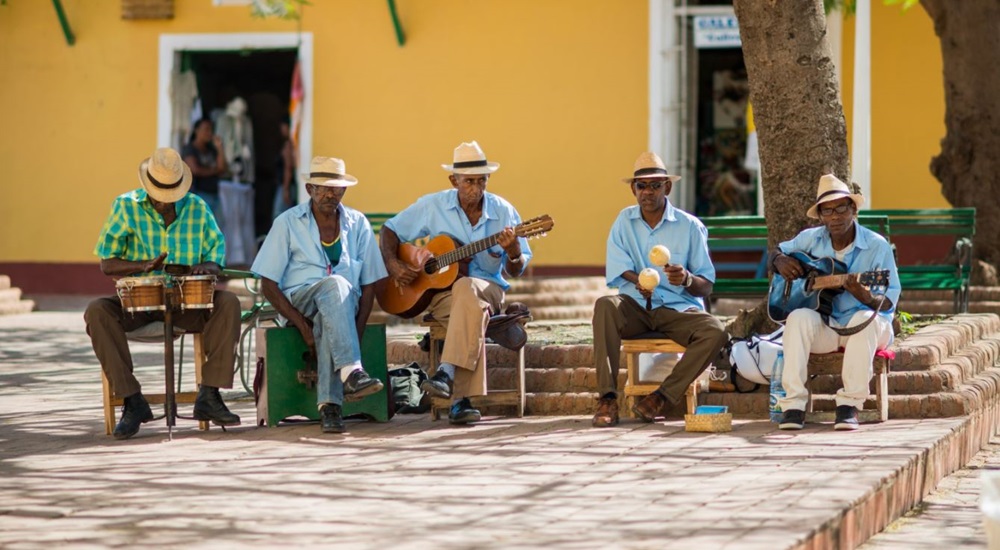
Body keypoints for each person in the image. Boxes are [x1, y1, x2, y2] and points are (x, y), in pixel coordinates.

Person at [85, 147, 242, 440]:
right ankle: (133, 401)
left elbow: (216, 256)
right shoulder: (125, 206)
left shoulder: (197, 208)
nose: (165, 201)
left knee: (229, 302)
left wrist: (204, 267)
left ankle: (209, 395)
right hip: (138, 303)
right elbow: (107, 263)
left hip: (187, 303)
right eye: (160, 194)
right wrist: (143, 266)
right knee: (97, 311)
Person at [380, 141, 531, 425]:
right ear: (454, 180)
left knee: (467, 289)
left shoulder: (504, 212)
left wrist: (514, 252)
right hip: (441, 296)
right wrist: (395, 264)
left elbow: (517, 270)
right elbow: (390, 229)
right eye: (469, 182)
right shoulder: (433, 205)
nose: (476, 188)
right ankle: (461, 403)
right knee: (467, 305)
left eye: (482, 181)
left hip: (490, 290)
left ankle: (447, 374)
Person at [251, 156, 387, 434]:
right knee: (334, 285)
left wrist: (352, 334)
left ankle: (330, 408)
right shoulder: (288, 222)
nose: (329, 194)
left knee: (332, 309)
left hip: (343, 305)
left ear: (344, 191)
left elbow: (370, 284)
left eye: (336, 188)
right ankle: (352, 372)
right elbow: (268, 283)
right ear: (310, 188)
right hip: (300, 301)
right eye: (322, 187)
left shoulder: (358, 224)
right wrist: (302, 327)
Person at [591, 151, 727, 427]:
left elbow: (706, 284)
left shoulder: (690, 226)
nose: (648, 192)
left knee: (716, 331)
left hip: (677, 310)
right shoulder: (623, 221)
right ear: (633, 189)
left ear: (668, 187)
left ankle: (662, 397)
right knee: (605, 306)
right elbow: (618, 267)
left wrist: (687, 278)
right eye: (642, 186)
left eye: (656, 185)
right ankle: (606, 398)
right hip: (636, 308)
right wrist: (637, 280)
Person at [772, 174, 900, 431]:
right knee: (797, 318)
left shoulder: (877, 247)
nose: (834, 216)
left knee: (863, 319)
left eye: (841, 208)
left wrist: (863, 294)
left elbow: (887, 304)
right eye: (827, 211)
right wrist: (779, 261)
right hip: (828, 326)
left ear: (853, 209)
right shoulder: (810, 239)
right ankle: (793, 406)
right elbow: (777, 251)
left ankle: (848, 405)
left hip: (868, 328)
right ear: (820, 216)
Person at [182, 117, 227, 220]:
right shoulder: (190, 148)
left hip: (214, 195)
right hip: (198, 194)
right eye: (206, 129)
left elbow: (223, 168)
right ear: (197, 130)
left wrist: (220, 148)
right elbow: (195, 170)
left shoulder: (211, 149)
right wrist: (216, 170)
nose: (210, 133)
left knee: (214, 230)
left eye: (211, 129)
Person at [272, 120, 298, 220]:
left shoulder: (288, 145)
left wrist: (286, 189)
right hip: (285, 185)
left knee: (279, 214)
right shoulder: (291, 144)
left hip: (285, 186)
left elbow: (288, 168)